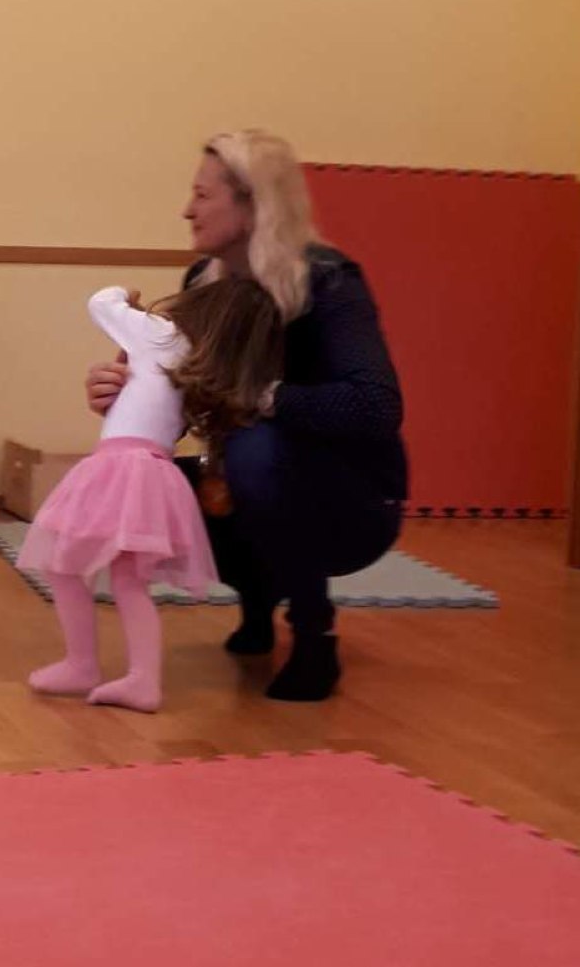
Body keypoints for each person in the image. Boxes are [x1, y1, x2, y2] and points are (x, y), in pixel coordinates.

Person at [87, 132, 407, 703]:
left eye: (202, 194)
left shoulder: (329, 282)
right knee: (155, 480)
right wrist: (126, 395)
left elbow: (375, 406)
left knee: (256, 450)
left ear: (252, 202)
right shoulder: (202, 280)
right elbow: (185, 401)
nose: (187, 210)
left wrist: (260, 397)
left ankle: (314, 632)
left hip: (353, 501)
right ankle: (257, 600)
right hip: (254, 478)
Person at [23, 276, 284, 712]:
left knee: (63, 563)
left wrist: (125, 296)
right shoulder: (216, 367)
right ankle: (129, 676)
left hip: (121, 466)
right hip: (153, 471)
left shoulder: (161, 334)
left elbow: (100, 301)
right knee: (126, 578)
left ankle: (87, 664)